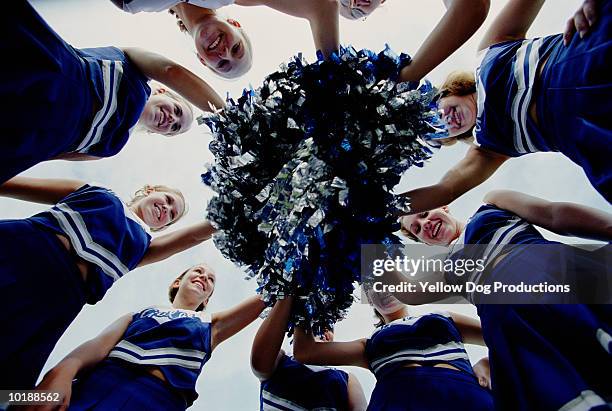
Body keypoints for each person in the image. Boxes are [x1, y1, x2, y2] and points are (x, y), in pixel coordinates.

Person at [399, 190, 612, 410]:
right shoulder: (446, 268)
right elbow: (408, 293)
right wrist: (367, 238)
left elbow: (554, 214)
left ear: (442, 205)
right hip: (513, 327)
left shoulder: (492, 204)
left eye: (424, 214)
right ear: (422, 241)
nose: (424, 224)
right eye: (417, 229)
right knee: (559, 387)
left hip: (557, 277)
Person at [0, 176, 217, 390]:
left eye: (171, 215)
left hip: (57, 301)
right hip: (21, 251)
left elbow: (193, 236)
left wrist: (234, 210)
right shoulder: (97, 191)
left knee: (16, 386)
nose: (166, 209)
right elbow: (9, 183)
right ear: (150, 190)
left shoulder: (144, 247)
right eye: (168, 200)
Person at [400, 0, 611, 211]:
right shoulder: (487, 151)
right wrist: (382, 209)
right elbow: (445, 190)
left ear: (445, 92)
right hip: (594, 136)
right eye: (440, 131)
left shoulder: (489, 49)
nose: (444, 121)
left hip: (587, 56)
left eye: (434, 113)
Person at [0, 1, 224, 184]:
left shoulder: (111, 146)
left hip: (22, 136)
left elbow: (53, 154)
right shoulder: (135, 69)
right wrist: (227, 116)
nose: (171, 119)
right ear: (164, 91)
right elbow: (171, 71)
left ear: (159, 133)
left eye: (174, 127)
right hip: (44, 72)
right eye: (177, 111)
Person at [29, 263, 266, 410]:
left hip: (155, 401)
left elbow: (268, 294)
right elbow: (97, 346)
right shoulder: (139, 314)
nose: (204, 277)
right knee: (15, 399)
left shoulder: (211, 324)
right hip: (93, 384)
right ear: (177, 282)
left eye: (211, 280)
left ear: (207, 299)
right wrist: (61, 374)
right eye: (198, 271)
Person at [292, 295, 493, 411]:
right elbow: (305, 351)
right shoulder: (368, 344)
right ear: (370, 301)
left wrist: (487, 362)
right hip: (397, 403)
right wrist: (306, 292)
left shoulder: (442, 316)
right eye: (374, 288)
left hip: (462, 397)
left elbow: (504, 335)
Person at [251, 296, 368, 410]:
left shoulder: (346, 377)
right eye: (315, 325)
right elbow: (259, 364)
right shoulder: (281, 359)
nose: (324, 331)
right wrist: (290, 295)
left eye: (329, 327)